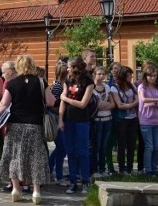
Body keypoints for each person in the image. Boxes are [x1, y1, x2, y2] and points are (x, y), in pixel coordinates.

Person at [0, 55, 55, 204]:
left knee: (14, 156)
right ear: (32, 65)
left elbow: (4, 104)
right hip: (35, 125)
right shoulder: (41, 82)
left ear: (18, 67)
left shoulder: (12, 83)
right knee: (36, 158)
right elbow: (51, 101)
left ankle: (15, 189)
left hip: (15, 125)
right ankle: (36, 192)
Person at [58, 56, 95, 193]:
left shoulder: (89, 82)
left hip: (82, 121)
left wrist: (65, 98)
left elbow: (82, 104)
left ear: (76, 68)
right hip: (68, 119)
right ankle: (73, 181)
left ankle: (85, 181)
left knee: (83, 151)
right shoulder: (68, 79)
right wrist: (61, 119)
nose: (67, 69)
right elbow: (62, 101)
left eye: (69, 66)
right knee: (71, 151)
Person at [137, 63, 158, 176]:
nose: (152, 78)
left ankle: (155, 169)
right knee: (149, 146)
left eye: (154, 75)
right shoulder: (142, 87)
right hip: (145, 120)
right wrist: (157, 101)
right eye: (150, 76)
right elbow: (143, 100)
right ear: (145, 76)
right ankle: (148, 170)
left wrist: (153, 102)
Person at [111, 66, 139, 175]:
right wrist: (132, 104)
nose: (131, 77)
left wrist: (129, 105)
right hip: (121, 119)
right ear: (123, 76)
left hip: (132, 118)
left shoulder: (132, 86)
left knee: (131, 144)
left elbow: (138, 99)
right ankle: (122, 168)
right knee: (122, 144)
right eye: (129, 75)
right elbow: (119, 105)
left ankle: (130, 167)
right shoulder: (115, 88)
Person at [91, 65, 116, 176]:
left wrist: (103, 106)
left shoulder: (107, 87)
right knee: (97, 145)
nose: (101, 76)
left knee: (104, 145)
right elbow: (95, 106)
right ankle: (95, 168)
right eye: (99, 74)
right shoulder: (91, 88)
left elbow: (113, 103)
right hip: (97, 120)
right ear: (94, 75)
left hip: (107, 119)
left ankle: (102, 167)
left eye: (103, 74)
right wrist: (102, 106)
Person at [48, 60, 68, 183]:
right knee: (62, 148)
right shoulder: (57, 86)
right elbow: (52, 104)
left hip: (62, 119)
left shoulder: (64, 85)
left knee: (62, 148)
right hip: (56, 119)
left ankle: (50, 169)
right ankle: (56, 173)